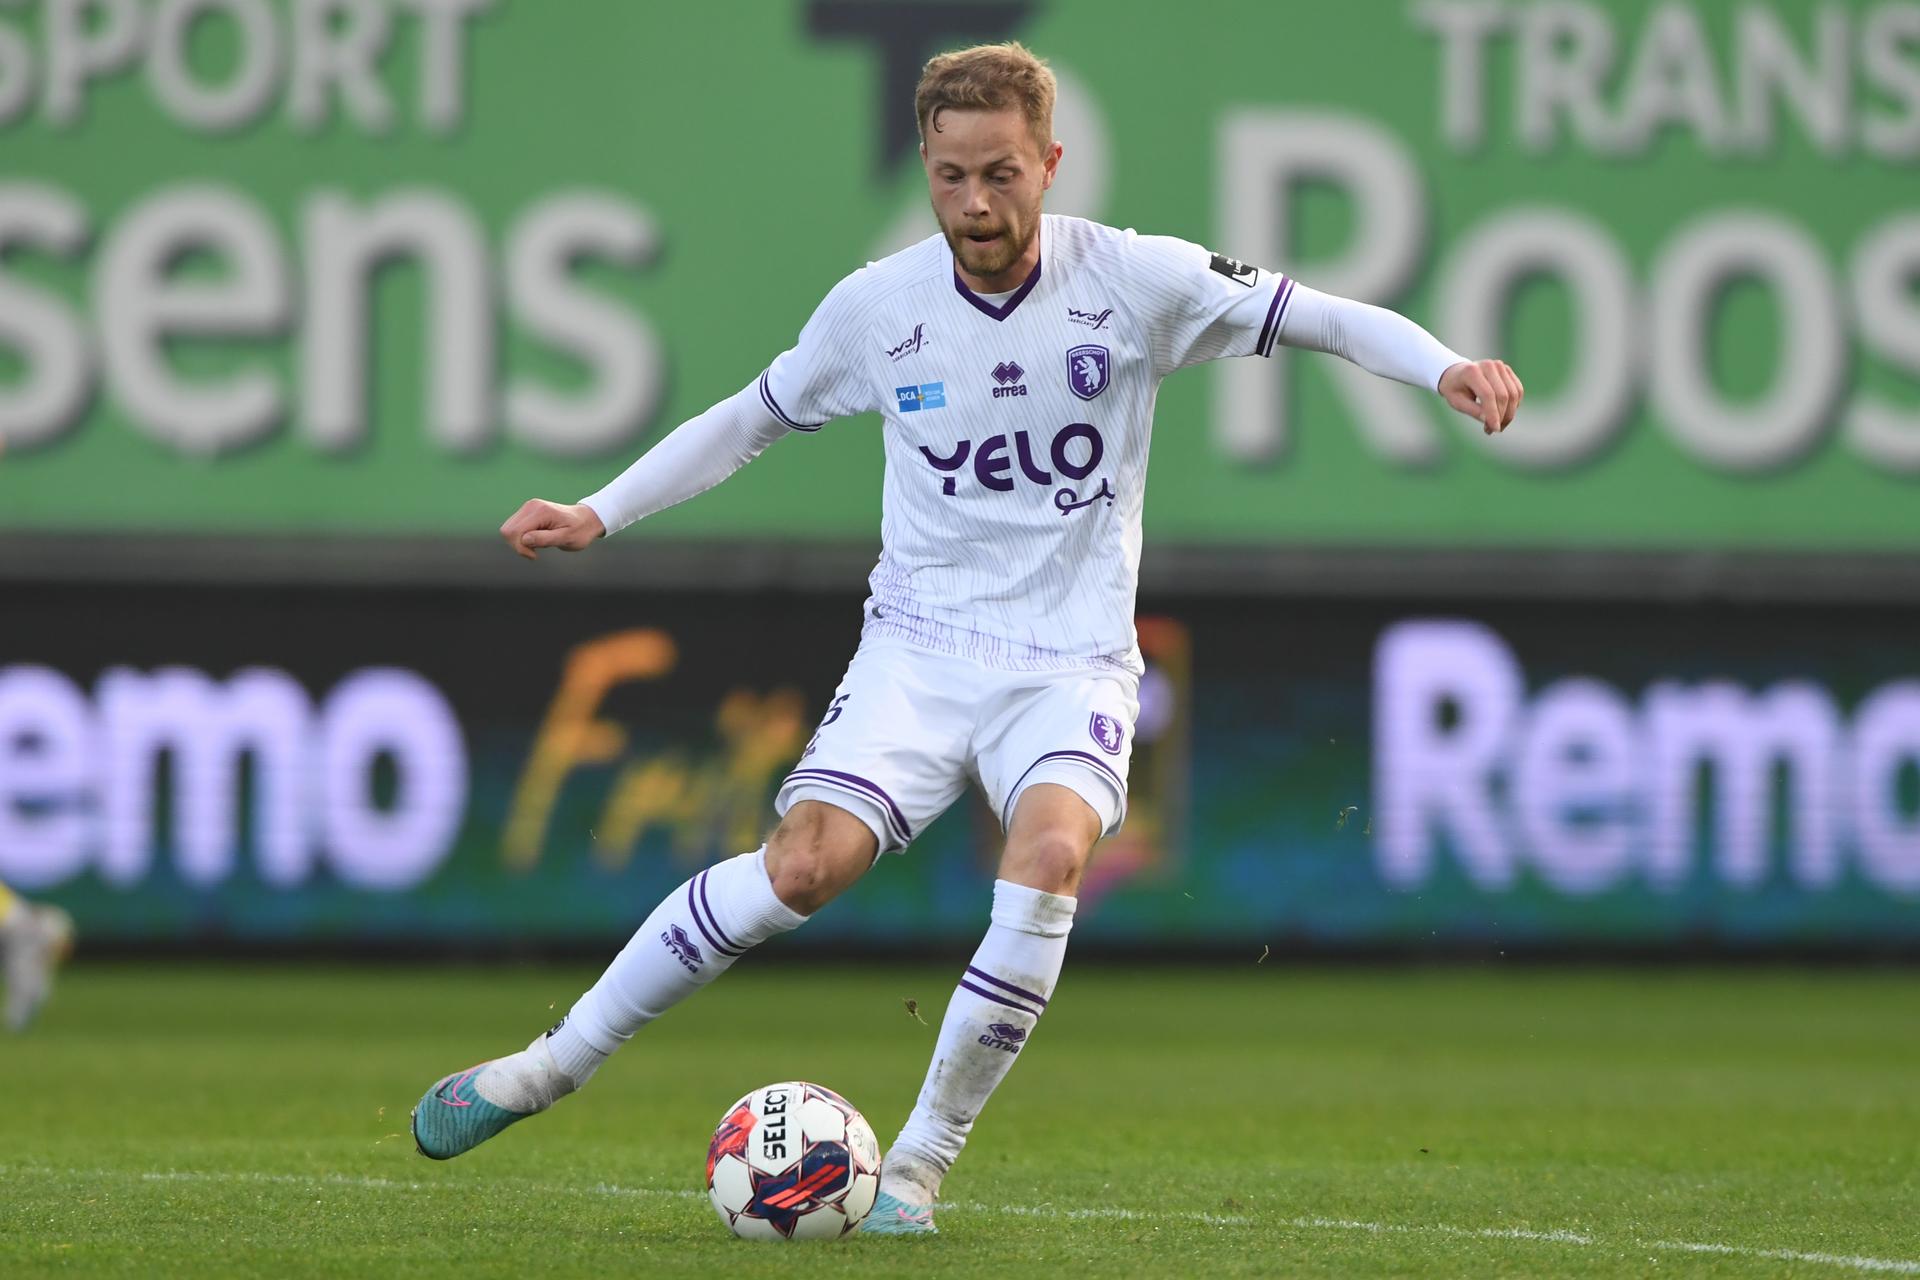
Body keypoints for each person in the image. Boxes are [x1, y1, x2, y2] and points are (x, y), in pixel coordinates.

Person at [410, 42, 1521, 1235]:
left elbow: (1321, 317)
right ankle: (547, 1067)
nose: (976, 205)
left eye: (1001, 173)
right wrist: (601, 509)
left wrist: (1445, 364)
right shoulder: (880, 309)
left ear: (1049, 161)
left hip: (1072, 662)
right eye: (951, 177)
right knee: (802, 868)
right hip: (920, 649)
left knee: (1047, 858)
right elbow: (750, 418)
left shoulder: (1135, 280)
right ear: (928, 170)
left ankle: (919, 1168)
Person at [0, 880, 73, 1032]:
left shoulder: (47, 921)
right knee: (27, 986)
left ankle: (16, 1023)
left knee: (35, 990)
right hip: (17, 937)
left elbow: (62, 948)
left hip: (21, 937)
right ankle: (15, 1023)